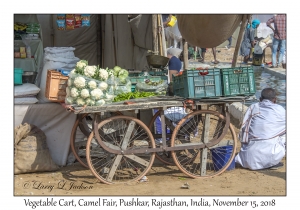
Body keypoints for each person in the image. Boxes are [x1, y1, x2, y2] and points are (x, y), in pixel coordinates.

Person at [235, 88, 286, 170]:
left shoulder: (253, 107)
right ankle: (271, 162)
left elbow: (244, 130)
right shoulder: (280, 110)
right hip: (271, 157)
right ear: (275, 100)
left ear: (260, 99)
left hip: (248, 159)